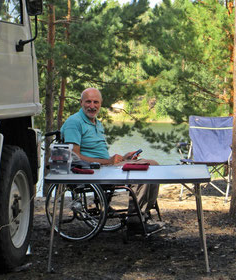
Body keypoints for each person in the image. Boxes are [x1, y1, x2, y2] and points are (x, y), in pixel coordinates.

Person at [60, 87, 163, 235]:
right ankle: (135, 222)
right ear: (81, 102)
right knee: (147, 168)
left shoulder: (97, 123)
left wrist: (124, 157)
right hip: (92, 171)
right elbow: (74, 156)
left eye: (96, 102)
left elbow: (101, 155)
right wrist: (108, 161)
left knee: (153, 167)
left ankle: (143, 215)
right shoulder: (74, 122)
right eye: (88, 101)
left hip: (106, 167)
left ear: (100, 104)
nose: (92, 106)